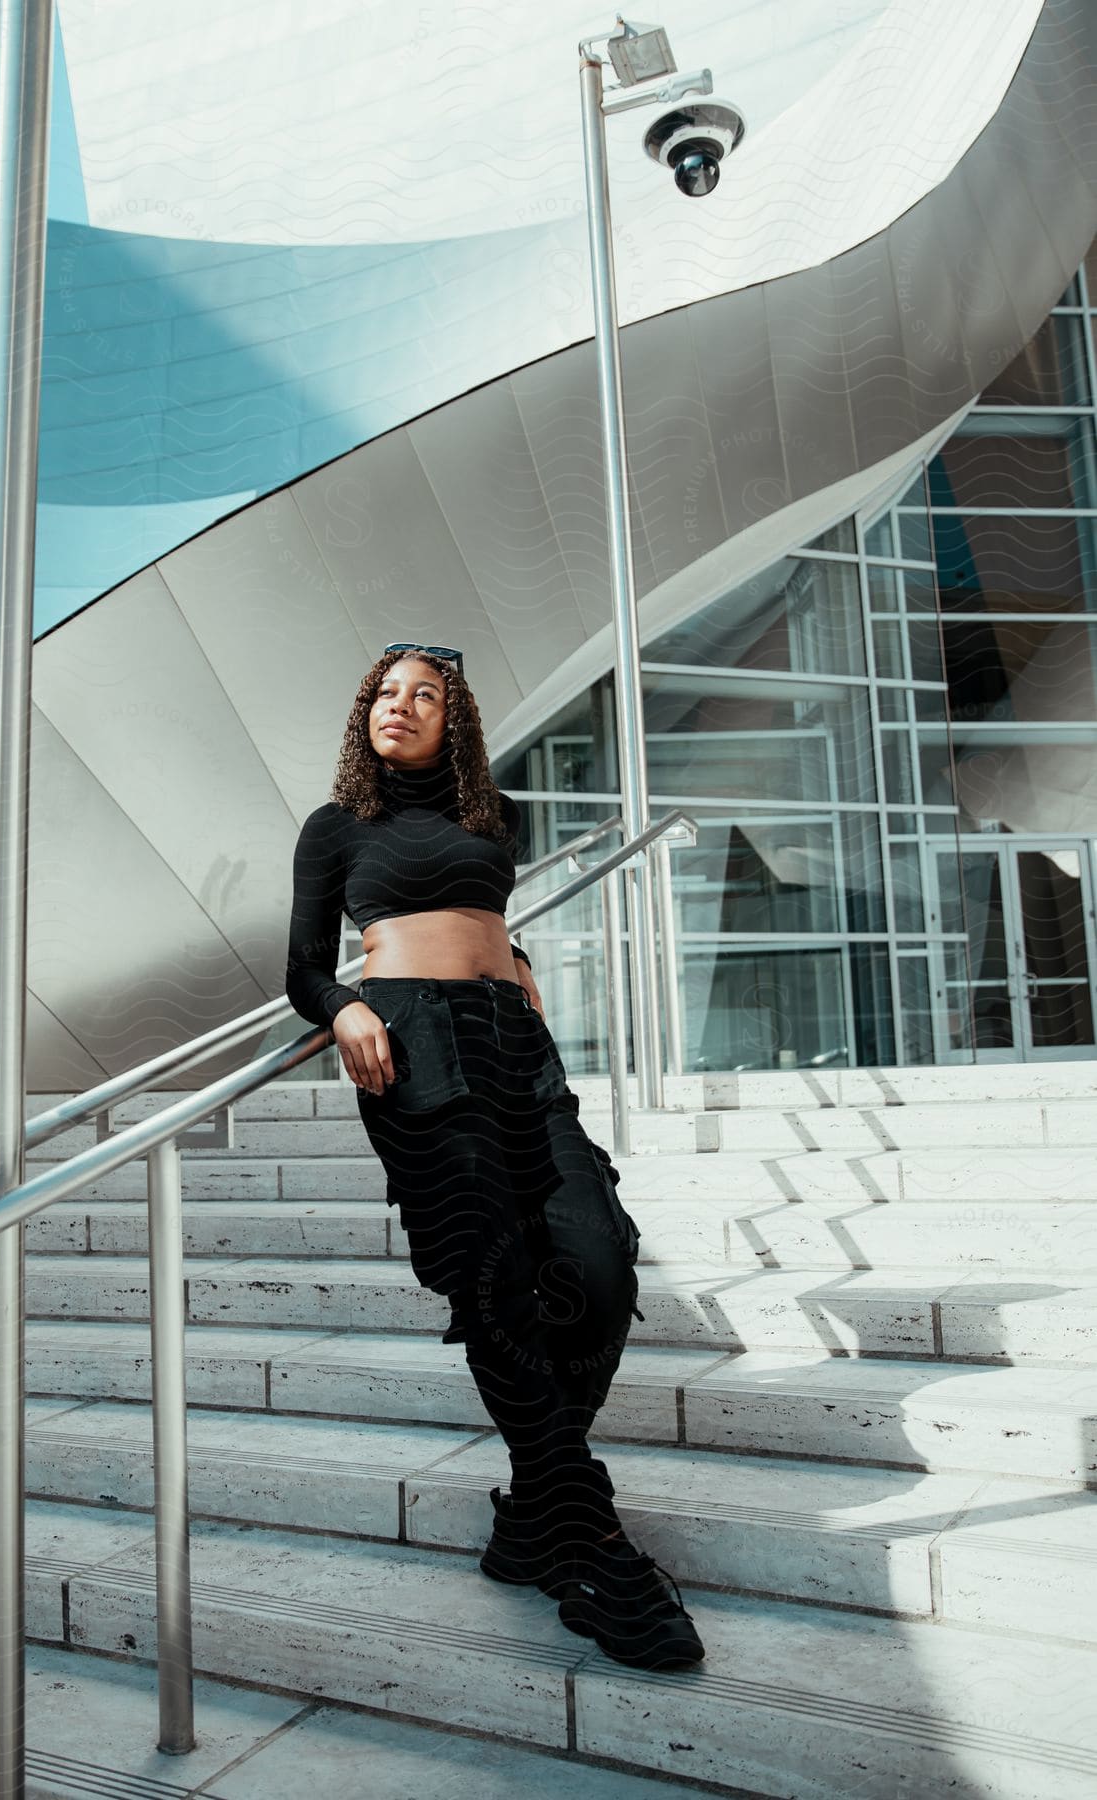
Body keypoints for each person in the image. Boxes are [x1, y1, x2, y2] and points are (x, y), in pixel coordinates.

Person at [285, 642, 703, 1670]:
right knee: (495, 1283)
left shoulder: (491, 816)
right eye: (384, 690)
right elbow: (301, 965)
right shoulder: (336, 826)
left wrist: (516, 975)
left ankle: (529, 1512)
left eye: (424, 694)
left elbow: (490, 922)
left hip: (515, 1044)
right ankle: (592, 1542)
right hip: (411, 1041)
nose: (401, 705)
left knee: (596, 1259)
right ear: (362, 712)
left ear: (453, 718)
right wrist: (342, 1008)